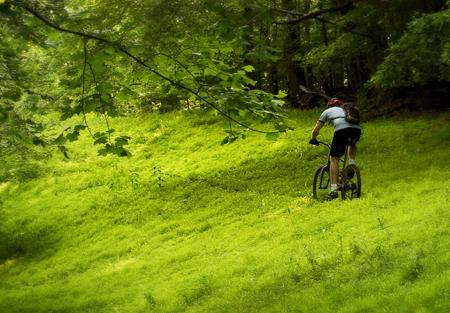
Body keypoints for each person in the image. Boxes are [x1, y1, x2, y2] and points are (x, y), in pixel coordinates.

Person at [309, 98, 361, 200]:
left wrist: (313, 139)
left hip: (341, 130)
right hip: (356, 130)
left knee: (334, 159)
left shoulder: (327, 111)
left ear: (329, 106)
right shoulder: (348, 110)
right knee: (351, 144)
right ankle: (351, 165)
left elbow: (316, 130)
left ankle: (333, 190)